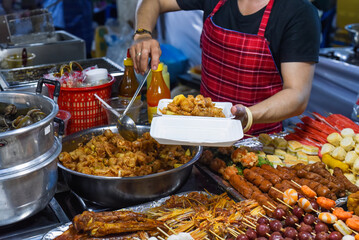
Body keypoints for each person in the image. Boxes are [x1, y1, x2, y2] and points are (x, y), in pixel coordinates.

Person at [130, 0, 320, 135]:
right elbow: (153, 1)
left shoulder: (298, 12)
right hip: (203, 132)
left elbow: (297, 94)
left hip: (256, 142)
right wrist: (143, 34)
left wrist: (248, 116)